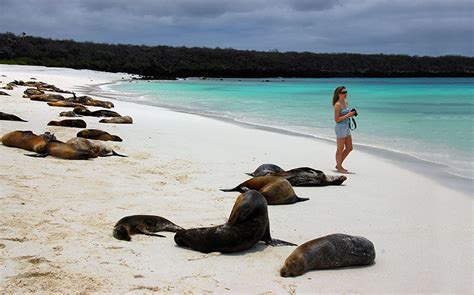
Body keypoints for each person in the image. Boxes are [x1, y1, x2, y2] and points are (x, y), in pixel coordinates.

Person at [332, 86, 356, 173]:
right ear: (338, 94)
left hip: (346, 126)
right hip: (340, 127)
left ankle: (338, 164)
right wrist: (348, 115)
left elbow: (346, 115)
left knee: (350, 148)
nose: (345, 94)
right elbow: (336, 119)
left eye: (346, 92)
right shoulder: (337, 104)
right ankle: (339, 167)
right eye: (343, 92)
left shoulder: (345, 102)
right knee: (340, 149)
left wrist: (351, 114)